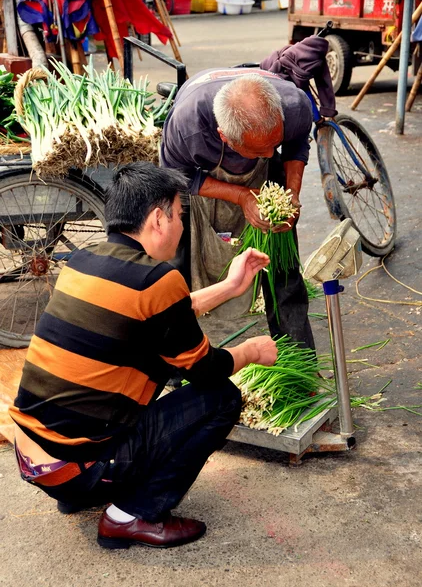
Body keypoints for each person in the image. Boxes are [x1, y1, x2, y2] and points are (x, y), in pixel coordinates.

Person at [9, 162, 278, 550]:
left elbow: (159, 317)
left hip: (37, 461)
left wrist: (230, 287)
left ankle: (81, 492)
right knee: (221, 397)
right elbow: (205, 370)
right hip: (80, 468)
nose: (182, 227)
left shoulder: (83, 262)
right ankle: (131, 515)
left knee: (137, 363)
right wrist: (250, 351)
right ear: (158, 219)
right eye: (180, 216)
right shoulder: (159, 279)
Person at [161, 69, 315, 350]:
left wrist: (291, 195)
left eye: (273, 144)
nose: (270, 156)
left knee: (283, 263)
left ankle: (297, 352)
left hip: (257, 144)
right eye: (258, 151)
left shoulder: (295, 105)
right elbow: (176, 176)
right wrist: (242, 196)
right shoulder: (188, 128)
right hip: (196, 174)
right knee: (175, 265)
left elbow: (294, 146)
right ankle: (176, 361)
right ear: (224, 137)